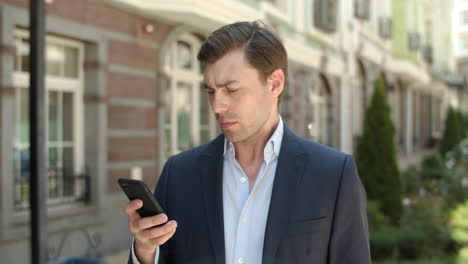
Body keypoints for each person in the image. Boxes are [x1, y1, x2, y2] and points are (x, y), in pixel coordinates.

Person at [125, 21, 371, 264]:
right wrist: (145, 251)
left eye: (231, 90)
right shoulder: (178, 174)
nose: (217, 106)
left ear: (275, 83)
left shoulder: (333, 175)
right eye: (210, 91)